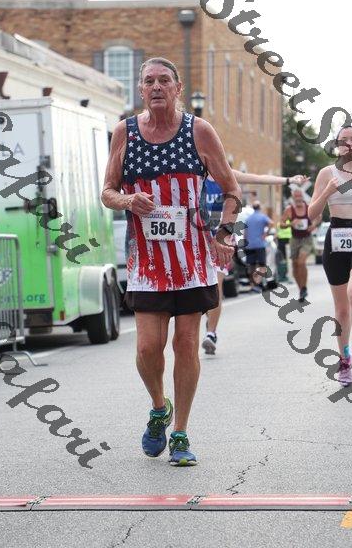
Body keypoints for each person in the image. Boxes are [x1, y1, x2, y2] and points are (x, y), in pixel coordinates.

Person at [101, 57, 240, 466]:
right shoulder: (125, 132)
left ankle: (180, 432)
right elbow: (107, 191)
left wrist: (224, 233)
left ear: (178, 88)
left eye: (165, 80)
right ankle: (159, 408)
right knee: (147, 348)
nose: (157, 87)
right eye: (149, 81)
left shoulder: (199, 131)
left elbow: (231, 189)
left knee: (186, 345)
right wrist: (128, 200)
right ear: (140, 90)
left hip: (192, 260)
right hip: (146, 264)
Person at [202, 172, 307, 354]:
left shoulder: (224, 172)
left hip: (221, 239)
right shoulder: (193, 171)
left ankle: (211, 333)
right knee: (201, 292)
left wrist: (288, 180)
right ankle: (208, 320)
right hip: (196, 239)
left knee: (216, 287)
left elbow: (258, 178)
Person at [308, 125, 352, 385]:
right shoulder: (327, 173)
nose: (349, 144)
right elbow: (311, 214)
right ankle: (344, 359)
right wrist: (326, 192)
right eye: (343, 140)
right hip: (336, 238)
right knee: (342, 308)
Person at [280, 188, 320, 302]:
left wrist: (313, 225)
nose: (298, 198)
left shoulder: (309, 208)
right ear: (293, 198)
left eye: (299, 196)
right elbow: (281, 223)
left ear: (302, 197)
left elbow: (319, 216)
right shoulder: (289, 210)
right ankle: (301, 290)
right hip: (294, 239)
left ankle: (304, 287)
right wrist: (290, 224)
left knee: (301, 262)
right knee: (294, 265)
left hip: (306, 238)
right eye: (296, 196)